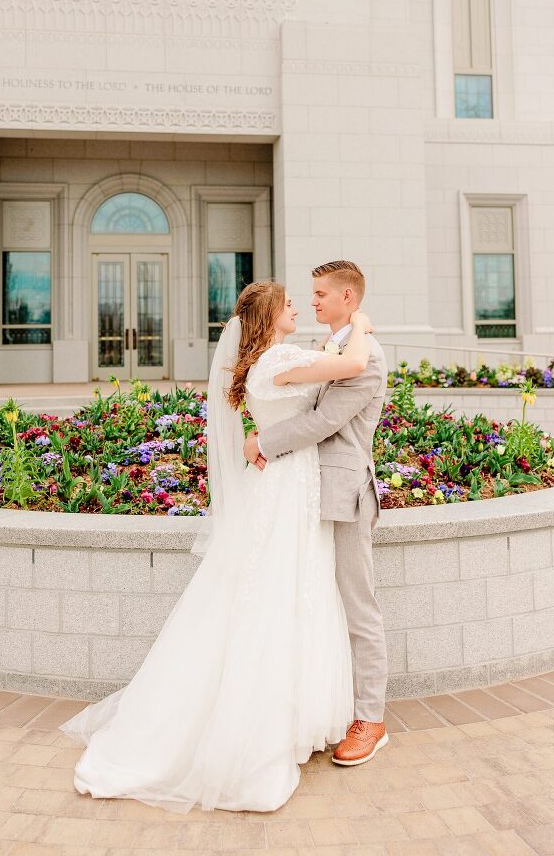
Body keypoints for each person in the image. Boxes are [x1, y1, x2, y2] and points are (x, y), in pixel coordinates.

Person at [60, 279, 376, 813]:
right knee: (276, 597)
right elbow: (350, 366)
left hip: (288, 482)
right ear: (270, 316)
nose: (299, 306)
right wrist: (361, 326)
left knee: (286, 591)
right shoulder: (275, 364)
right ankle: (256, 730)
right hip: (287, 483)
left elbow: (325, 375)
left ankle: (285, 715)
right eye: (290, 303)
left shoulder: (270, 362)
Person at [244, 260, 389, 767]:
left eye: (322, 293)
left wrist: (262, 440)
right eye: (309, 294)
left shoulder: (365, 355)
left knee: (357, 605)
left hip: (344, 493)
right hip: (306, 492)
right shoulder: (333, 348)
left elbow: (326, 419)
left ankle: (371, 718)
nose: (313, 302)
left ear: (349, 297)